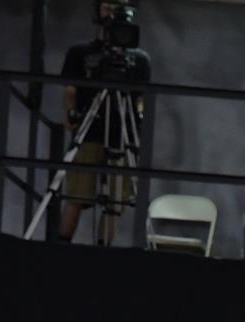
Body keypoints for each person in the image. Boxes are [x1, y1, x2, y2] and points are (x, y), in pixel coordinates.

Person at [59, 0, 152, 245]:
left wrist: (139, 128)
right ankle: (60, 245)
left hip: (122, 135)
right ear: (98, 10)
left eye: (119, 6)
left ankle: (103, 251)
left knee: (115, 202)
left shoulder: (139, 61)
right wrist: (70, 115)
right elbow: (70, 92)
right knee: (77, 194)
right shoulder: (81, 53)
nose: (112, 12)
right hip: (89, 131)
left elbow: (140, 99)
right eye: (107, 6)